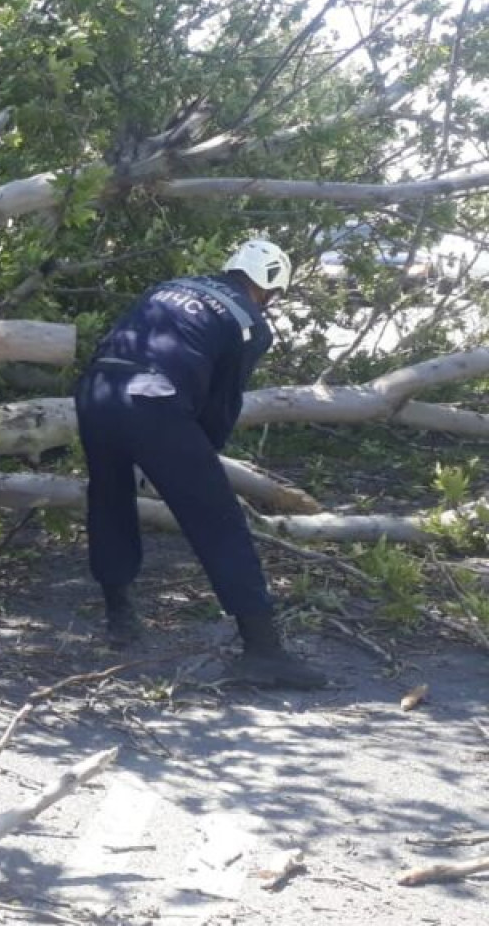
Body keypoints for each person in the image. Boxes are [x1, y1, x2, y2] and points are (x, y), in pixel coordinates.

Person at [74, 238, 328, 689]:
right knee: (218, 519)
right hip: (155, 401)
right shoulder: (249, 322)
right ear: (269, 289)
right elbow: (220, 404)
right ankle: (263, 650)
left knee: (109, 498)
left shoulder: (168, 287)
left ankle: (119, 617)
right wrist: (195, 460)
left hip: (96, 391)